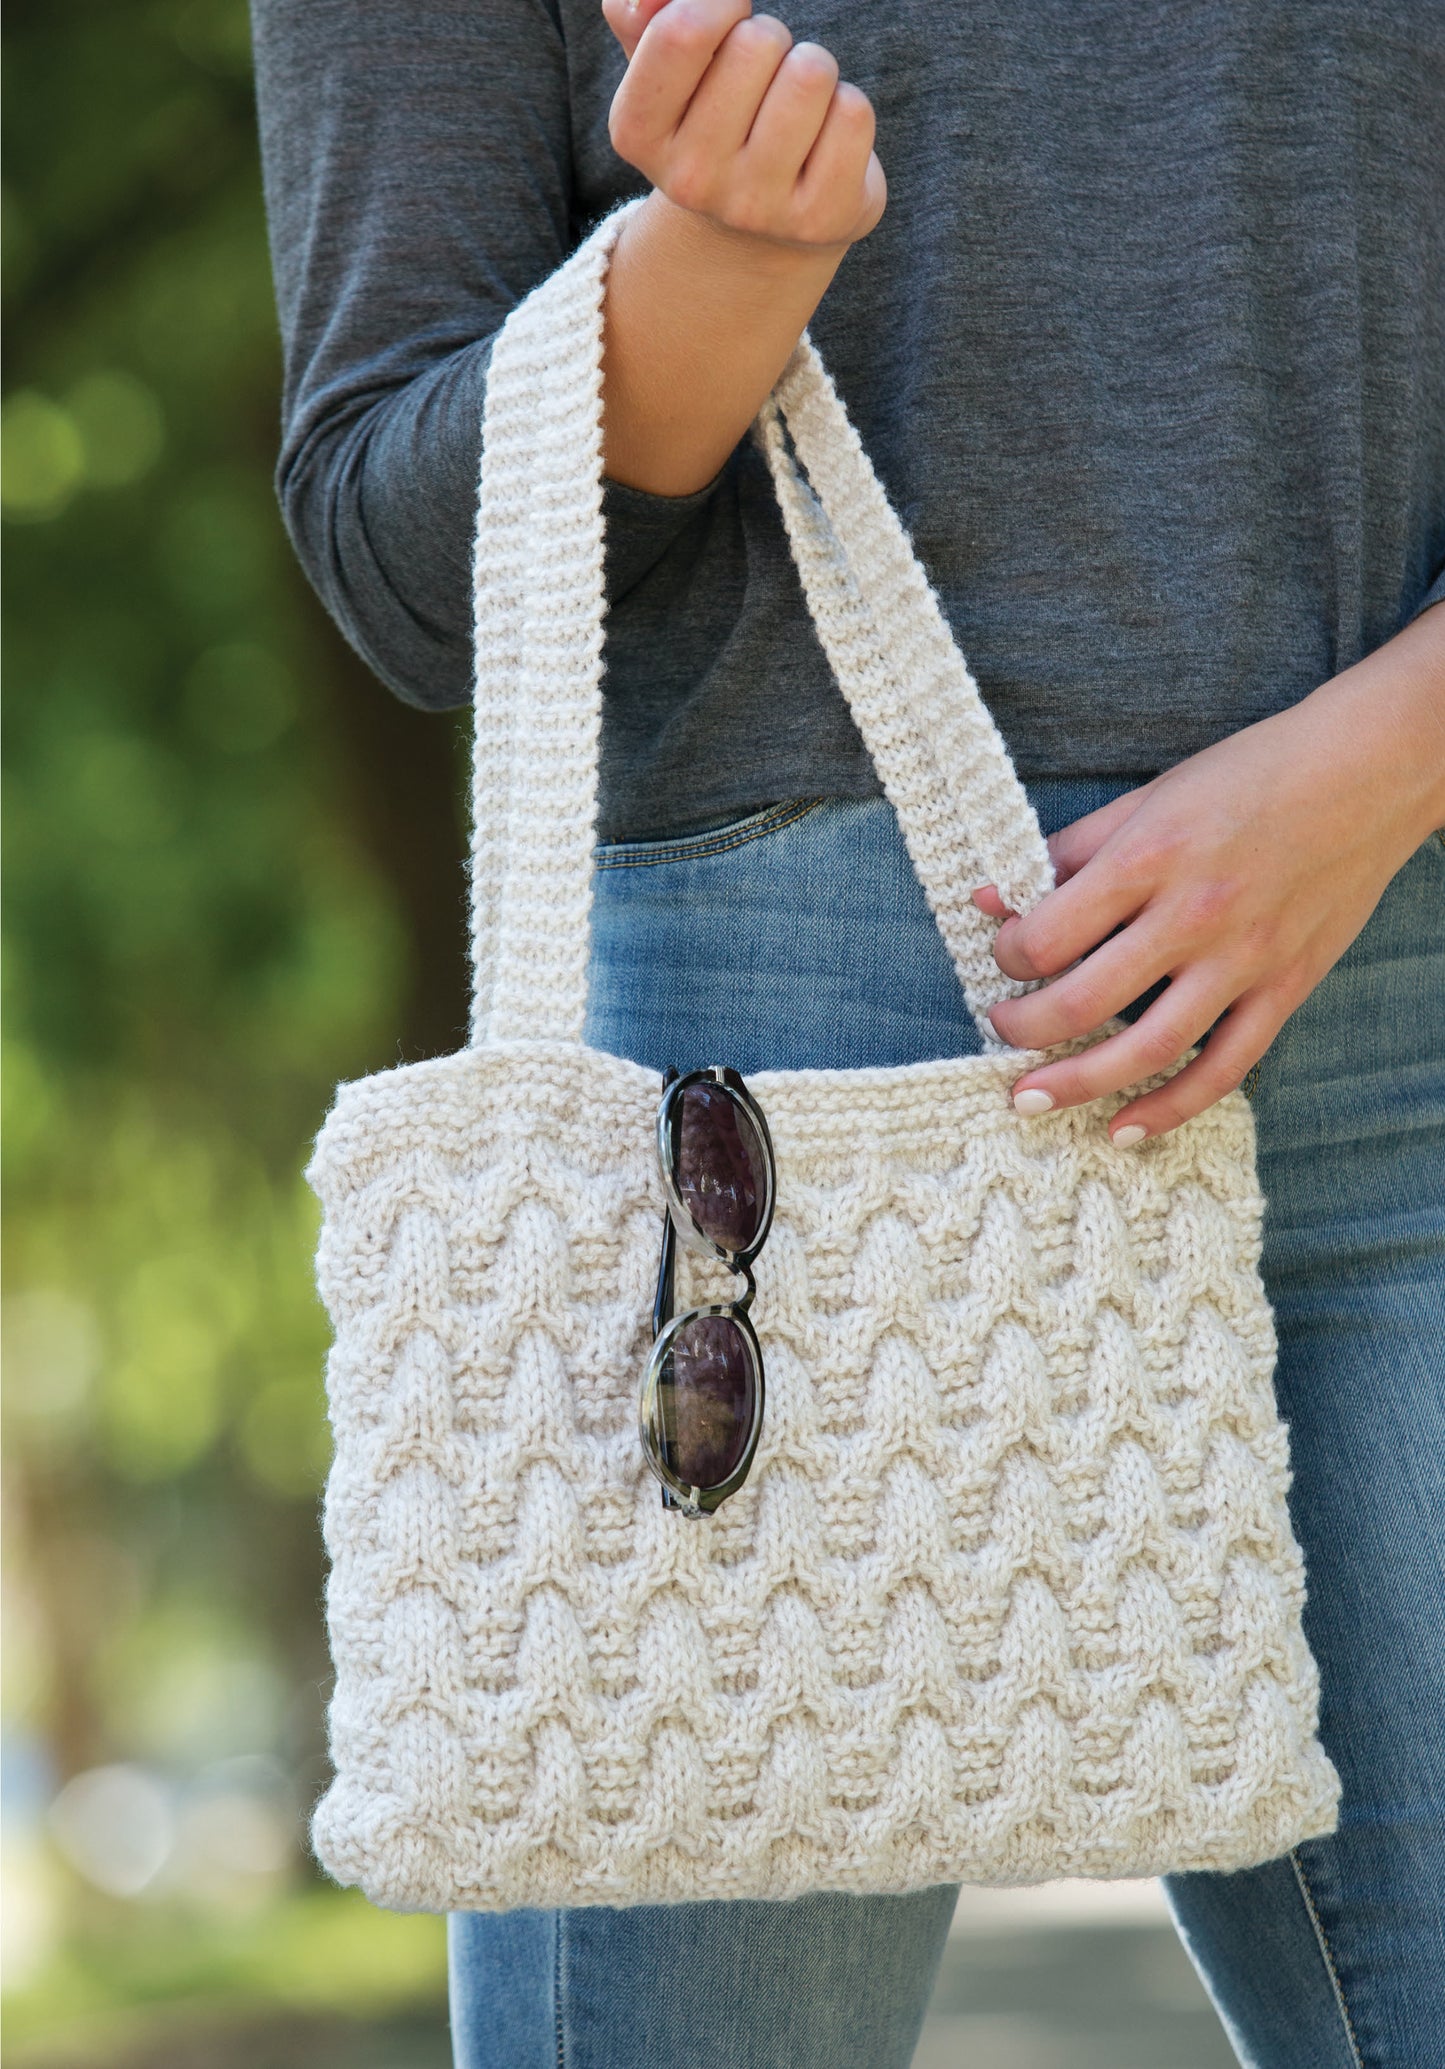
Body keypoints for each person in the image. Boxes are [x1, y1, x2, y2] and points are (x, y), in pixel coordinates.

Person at [250, 2, 1445, 2062]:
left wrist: (1391, 763)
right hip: (739, 1134)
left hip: (1393, 991)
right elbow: (406, 564)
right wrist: (716, 267)